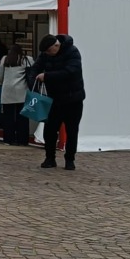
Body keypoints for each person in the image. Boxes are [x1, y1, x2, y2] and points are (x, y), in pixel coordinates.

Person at [31, 34, 85, 171]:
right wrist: (33, 80)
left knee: (72, 131)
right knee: (49, 130)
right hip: (53, 99)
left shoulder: (72, 51)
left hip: (73, 99)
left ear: (57, 45)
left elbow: (71, 71)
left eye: (50, 51)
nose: (49, 54)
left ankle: (70, 159)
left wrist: (47, 76)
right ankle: (50, 158)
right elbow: (36, 67)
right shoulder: (45, 54)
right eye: (46, 52)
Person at [0, 44, 33, 146]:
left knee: (8, 116)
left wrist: (3, 82)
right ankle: (23, 140)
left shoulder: (5, 59)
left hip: (7, 91)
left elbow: (0, 76)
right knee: (23, 117)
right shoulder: (27, 59)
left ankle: (8, 139)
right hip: (22, 91)